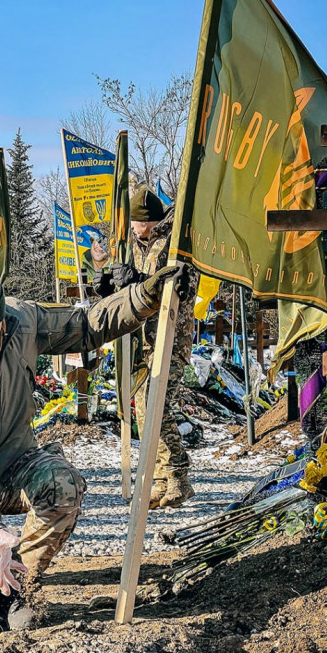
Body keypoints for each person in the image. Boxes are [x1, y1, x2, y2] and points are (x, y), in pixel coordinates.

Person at [0, 262, 176, 630]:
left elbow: (86, 325)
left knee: (63, 485)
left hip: (12, 464)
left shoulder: (20, 321)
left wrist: (143, 298)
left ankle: (15, 591)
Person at [96, 185, 197, 508]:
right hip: (142, 341)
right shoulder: (135, 246)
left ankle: (178, 474)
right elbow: (131, 289)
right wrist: (108, 283)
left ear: (148, 222)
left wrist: (138, 278)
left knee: (159, 406)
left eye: (135, 223)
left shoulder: (173, 243)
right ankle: (159, 478)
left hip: (169, 337)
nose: (131, 229)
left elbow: (183, 285)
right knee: (143, 410)